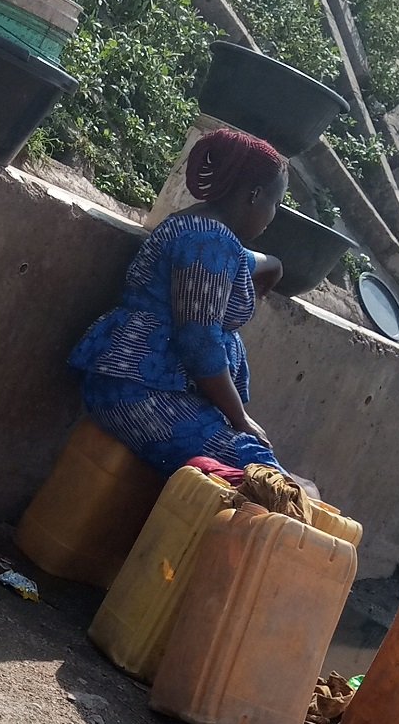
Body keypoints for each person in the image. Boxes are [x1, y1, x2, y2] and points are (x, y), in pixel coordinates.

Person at [67, 128, 291, 476]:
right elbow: (199, 344)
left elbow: (241, 259)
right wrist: (240, 419)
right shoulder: (208, 241)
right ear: (254, 195)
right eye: (275, 204)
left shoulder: (196, 227)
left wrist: (272, 264)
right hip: (141, 393)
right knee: (264, 476)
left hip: (143, 384)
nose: (272, 216)